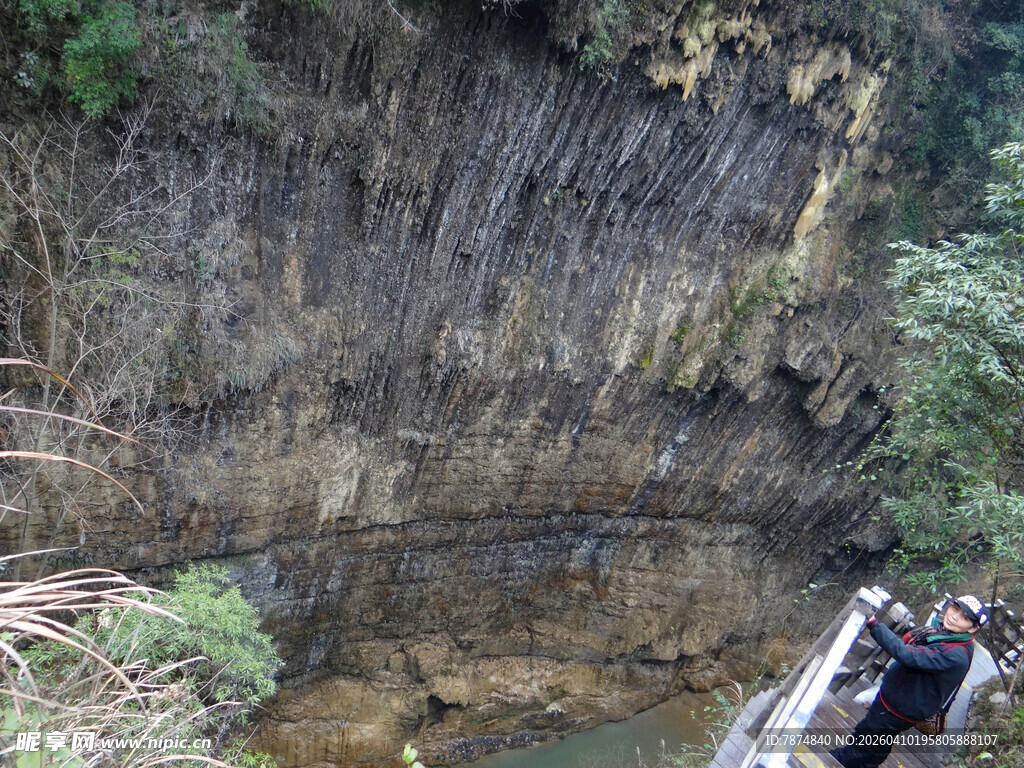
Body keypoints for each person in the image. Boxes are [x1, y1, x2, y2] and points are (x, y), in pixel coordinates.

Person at [829, 594, 987, 768]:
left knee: (866, 737)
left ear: (973, 629)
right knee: (877, 744)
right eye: (955, 608)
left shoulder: (955, 655)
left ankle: (834, 761)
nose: (954, 616)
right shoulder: (946, 635)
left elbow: (907, 654)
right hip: (900, 699)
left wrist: (873, 624)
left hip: (899, 708)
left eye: (964, 617)